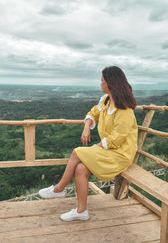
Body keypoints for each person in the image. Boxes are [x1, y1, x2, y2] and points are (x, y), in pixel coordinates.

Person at [39, 66, 138, 222]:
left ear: (110, 83)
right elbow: (93, 113)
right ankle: (81, 211)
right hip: (109, 150)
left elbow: (116, 139)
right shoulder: (106, 101)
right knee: (80, 168)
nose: (100, 83)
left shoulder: (124, 110)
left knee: (77, 152)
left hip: (120, 154)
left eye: (102, 80)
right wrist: (86, 127)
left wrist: (95, 148)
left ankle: (59, 189)